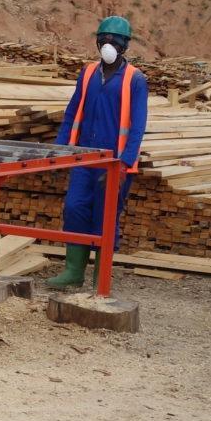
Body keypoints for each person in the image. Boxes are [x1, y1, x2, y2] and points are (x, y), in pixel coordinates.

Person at [47, 15, 150, 290]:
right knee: (75, 209)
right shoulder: (88, 73)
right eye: (103, 38)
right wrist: (59, 150)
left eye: (113, 39)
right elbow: (72, 113)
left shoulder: (135, 80)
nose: (107, 43)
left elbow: (138, 127)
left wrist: (124, 165)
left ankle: (100, 277)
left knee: (105, 217)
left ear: (125, 45)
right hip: (83, 158)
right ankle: (73, 271)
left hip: (113, 164)